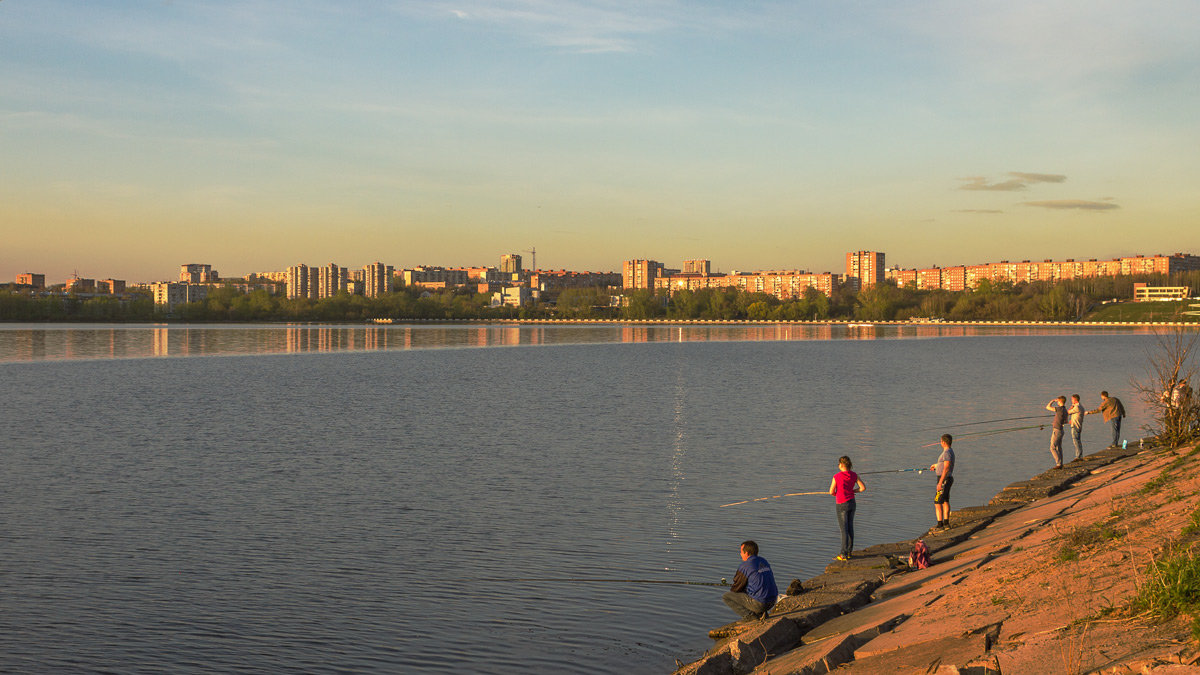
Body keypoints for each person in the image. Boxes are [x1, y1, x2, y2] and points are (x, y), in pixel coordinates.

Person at [722, 540, 778, 621]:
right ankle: (761, 613)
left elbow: (736, 588)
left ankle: (750, 617)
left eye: (741, 552)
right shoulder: (763, 561)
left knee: (727, 597)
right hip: (773, 601)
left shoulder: (745, 565)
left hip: (761, 604)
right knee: (751, 590)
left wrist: (735, 587)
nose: (740, 554)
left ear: (747, 553)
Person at [828, 456, 866, 561]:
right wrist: (853, 491)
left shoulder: (836, 476)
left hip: (841, 504)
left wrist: (836, 494)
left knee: (843, 530)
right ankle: (849, 552)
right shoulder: (854, 475)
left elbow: (831, 492)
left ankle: (843, 554)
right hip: (852, 503)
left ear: (841, 465)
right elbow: (863, 488)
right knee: (850, 528)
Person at [929, 434, 955, 529]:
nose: (940, 443)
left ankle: (940, 525)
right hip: (945, 478)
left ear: (943, 442)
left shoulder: (947, 452)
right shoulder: (948, 452)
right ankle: (946, 524)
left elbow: (947, 468)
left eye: (940, 441)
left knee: (937, 502)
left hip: (943, 479)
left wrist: (940, 482)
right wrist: (935, 466)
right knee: (945, 501)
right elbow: (943, 464)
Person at [1045, 396, 1067, 468]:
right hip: (1061, 430)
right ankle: (1061, 463)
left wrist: (1052, 401)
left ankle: (1058, 464)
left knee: (1052, 448)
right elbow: (1065, 421)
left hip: (1057, 430)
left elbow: (1047, 407)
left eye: (1058, 401)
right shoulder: (1065, 410)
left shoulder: (1059, 409)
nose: (1057, 402)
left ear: (1060, 401)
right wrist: (1055, 422)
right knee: (1059, 447)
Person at [1067, 394, 1086, 461]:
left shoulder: (1077, 407)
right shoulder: (1081, 407)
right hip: (1078, 425)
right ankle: (1079, 455)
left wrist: (1071, 406)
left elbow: (1067, 412)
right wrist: (1072, 420)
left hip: (1075, 426)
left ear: (1075, 400)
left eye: (1072, 399)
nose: (1071, 400)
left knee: (1076, 441)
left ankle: (1078, 456)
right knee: (1078, 441)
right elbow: (1077, 416)